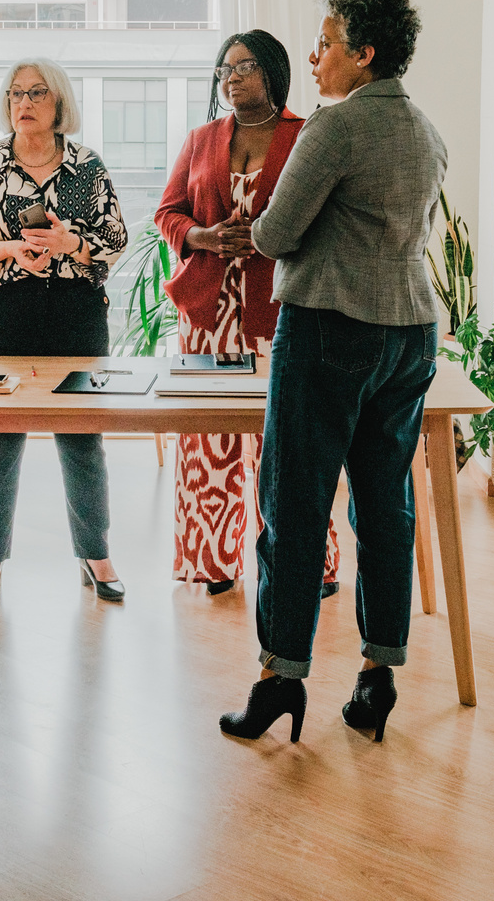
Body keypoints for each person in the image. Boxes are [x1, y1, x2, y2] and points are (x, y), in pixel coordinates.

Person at [219, 0, 445, 745]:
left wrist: (275, 224)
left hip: (330, 330)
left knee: (294, 503)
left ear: (366, 53)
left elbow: (274, 235)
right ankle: (376, 677)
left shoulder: (335, 128)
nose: (314, 57)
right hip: (410, 334)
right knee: (385, 507)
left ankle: (280, 678)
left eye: (327, 43)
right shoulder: (425, 131)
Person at [155, 30, 342, 597]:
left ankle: (311, 561)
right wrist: (205, 236)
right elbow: (167, 213)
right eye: (225, 70)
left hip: (279, 310)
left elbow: (326, 219)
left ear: (274, 72)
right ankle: (213, 562)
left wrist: (265, 241)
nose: (232, 77)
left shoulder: (305, 135)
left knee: (287, 441)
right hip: (208, 314)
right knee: (206, 440)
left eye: (246, 66)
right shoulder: (201, 139)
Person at [0, 58, 130, 604]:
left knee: (82, 441)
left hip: (75, 317)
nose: (23, 102)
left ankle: (95, 555)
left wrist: (70, 244)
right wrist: (7, 250)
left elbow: (114, 241)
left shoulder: (89, 167)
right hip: (4, 317)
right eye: (15, 93)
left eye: (37, 93)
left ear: (59, 104)